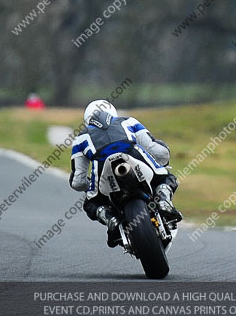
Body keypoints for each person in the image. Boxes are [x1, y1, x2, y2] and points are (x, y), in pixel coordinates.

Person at [69, 100, 182, 247]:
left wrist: (87, 185)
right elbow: (154, 148)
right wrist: (164, 157)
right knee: (165, 177)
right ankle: (163, 200)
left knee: (91, 203)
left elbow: (77, 181)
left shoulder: (80, 139)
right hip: (133, 156)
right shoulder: (128, 121)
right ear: (113, 112)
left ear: (87, 120)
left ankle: (110, 218)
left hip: (103, 168)